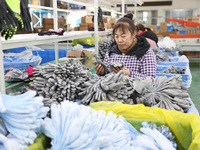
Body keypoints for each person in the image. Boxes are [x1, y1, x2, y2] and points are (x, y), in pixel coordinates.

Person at [95, 14, 157, 80]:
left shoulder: (146, 53)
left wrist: (130, 74)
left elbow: (151, 80)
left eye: (123, 36)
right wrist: (102, 73)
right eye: (116, 36)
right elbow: (107, 75)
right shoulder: (112, 52)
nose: (119, 40)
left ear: (133, 34)